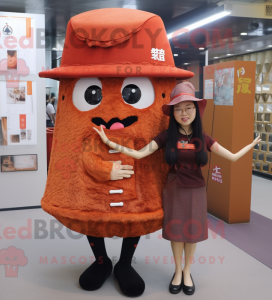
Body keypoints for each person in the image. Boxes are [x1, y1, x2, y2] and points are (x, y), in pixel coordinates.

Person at [93, 81, 261, 296]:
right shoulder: (167, 136)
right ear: (173, 112)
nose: (184, 113)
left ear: (196, 110)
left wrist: (249, 146)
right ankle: (178, 271)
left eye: (188, 108)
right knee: (176, 233)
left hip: (197, 190)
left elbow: (233, 157)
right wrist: (110, 141)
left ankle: (187, 272)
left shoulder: (203, 138)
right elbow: (139, 154)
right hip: (173, 190)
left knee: (192, 233)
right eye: (179, 109)